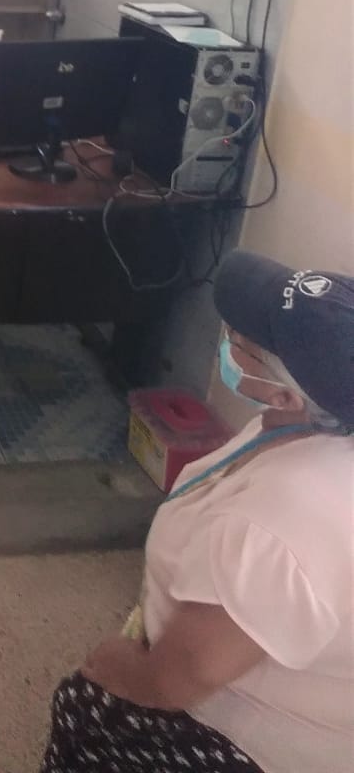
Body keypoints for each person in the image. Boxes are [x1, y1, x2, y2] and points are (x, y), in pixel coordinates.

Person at [39, 248, 354, 773]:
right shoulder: (314, 419)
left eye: (242, 342)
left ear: (286, 395)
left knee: (82, 704)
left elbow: (179, 678)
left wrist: (120, 666)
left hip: (247, 741)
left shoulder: (282, 522)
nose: (227, 337)